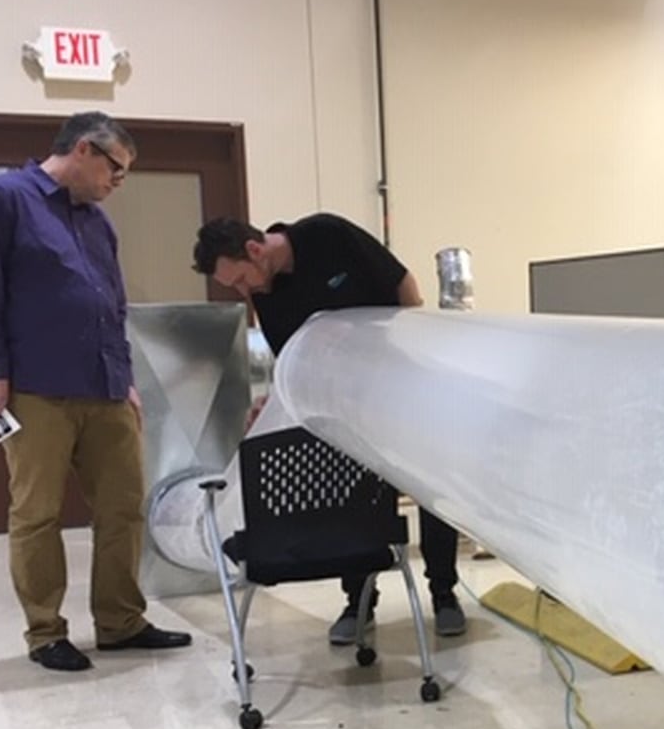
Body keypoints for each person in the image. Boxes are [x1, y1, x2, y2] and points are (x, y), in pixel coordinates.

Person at [0, 112, 193, 672]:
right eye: (117, 170)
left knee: (123, 507)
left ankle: (121, 622)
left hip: (104, 386)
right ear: (84, 150)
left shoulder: (97, 223)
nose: (117, 183)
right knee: (36, 512)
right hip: (35, 389)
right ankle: (45, 632)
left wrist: (126, 376)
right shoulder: (2, 199)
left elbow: (112, 306)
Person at [191, 214, 469, 641]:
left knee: (432, 487)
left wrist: (415, 354)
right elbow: (295, 361)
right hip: (348, 403)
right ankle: (358, 602)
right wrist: (275, 402)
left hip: (400, 378)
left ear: (254, 250)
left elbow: (401, 282)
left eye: (241, 279)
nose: (244, 292)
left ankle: (444, 594)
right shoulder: (268, 296)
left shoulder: (327, 235)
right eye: (234, 288)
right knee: (354, 499)